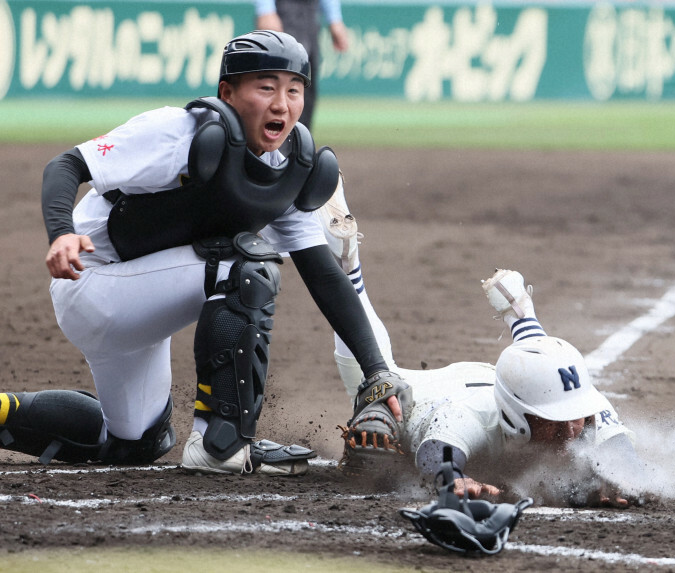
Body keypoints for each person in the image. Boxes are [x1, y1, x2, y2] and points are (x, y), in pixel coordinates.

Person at [0, 30, 407, 476]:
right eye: (266, 87)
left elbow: (324, 275)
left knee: (136, 442)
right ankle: (220, 443)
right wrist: (61, 233)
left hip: (139, 302)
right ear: (227, 93)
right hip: (91, 280)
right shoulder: (179, 132)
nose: (282, 104)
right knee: (247, 266)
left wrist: (375, 371)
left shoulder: (288, 170)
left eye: (294, 90)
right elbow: (65, 165)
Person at [331, 265, 644, 507]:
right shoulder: (469, 416)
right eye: (553, 422)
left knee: (541, 371)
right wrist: (454, 478)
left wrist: (622, 480)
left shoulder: (580, 402)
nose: (569, 433)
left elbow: (623, 456)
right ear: (518, 418)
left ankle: (520, 312)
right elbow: (435, 451)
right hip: (423, 392)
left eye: (572, 419)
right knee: (376, 398)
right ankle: (348, 269)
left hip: (501, 381)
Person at [255, 0, 349, 131]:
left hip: (310, 15)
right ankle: (275, 145)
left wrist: (334, 18)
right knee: (281, 83)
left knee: (305, 87)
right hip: (283, 12)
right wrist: (265, 9)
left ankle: (300, 146)